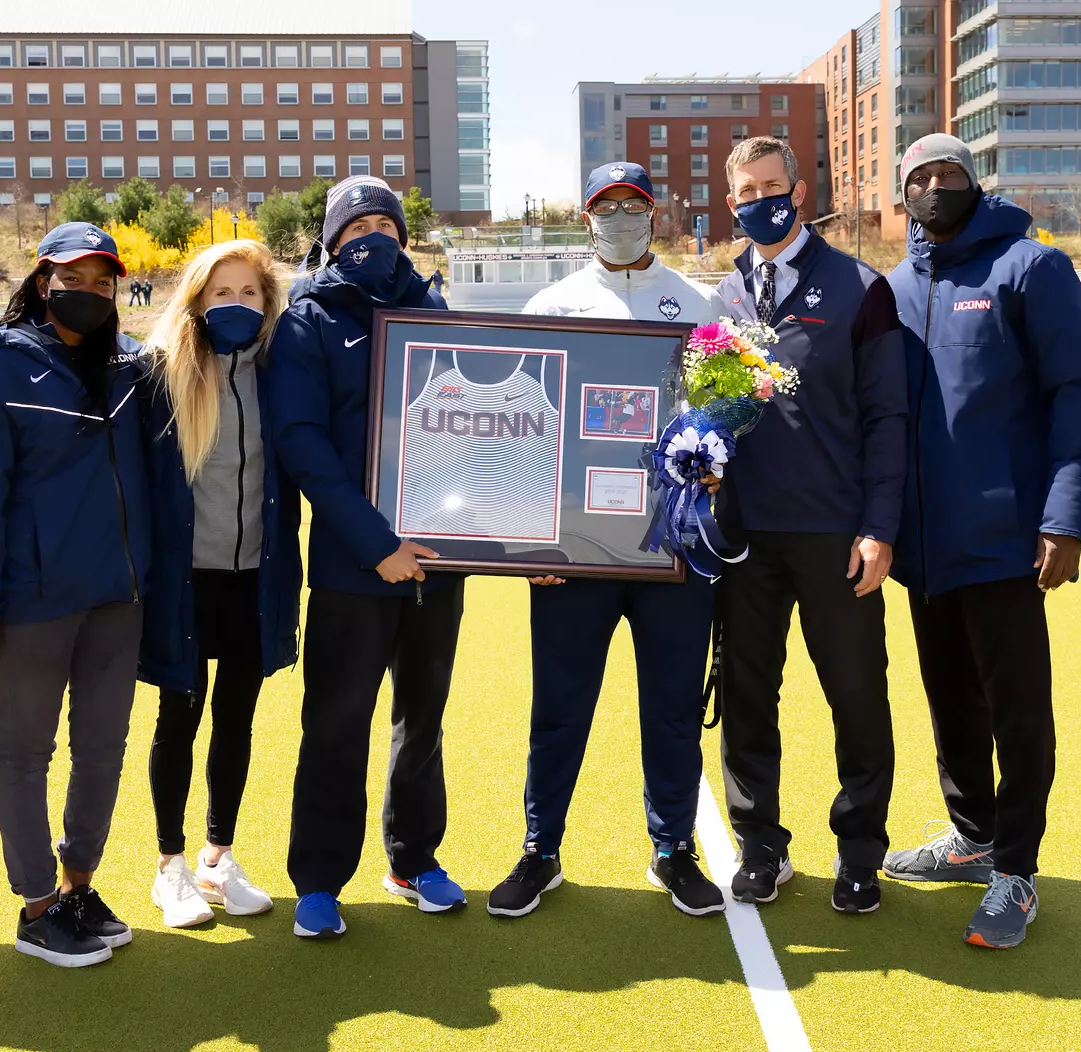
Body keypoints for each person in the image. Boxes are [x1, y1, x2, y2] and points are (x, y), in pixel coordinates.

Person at [883, 134, 1081, 949]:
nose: (934, 187)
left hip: (1005, 540)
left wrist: (1064, 518)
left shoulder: (1030, 267)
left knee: (1017, 711)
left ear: (975, 182)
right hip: (924, 548)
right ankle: (972, 836)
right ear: (903, 194)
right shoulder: (896, 286)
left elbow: (1078, 393)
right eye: (918, 177)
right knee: (949, 700)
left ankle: (1016, 869)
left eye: (948, 174)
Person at [485, 162, 727, 921]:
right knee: (559, 707)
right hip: (576, 552)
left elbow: (722, 420)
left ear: (654, 213)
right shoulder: (552, 303)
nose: (620, 217)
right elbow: (524, 432)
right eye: (606, 206)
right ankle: (541, 849)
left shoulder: (698, 304)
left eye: (633, 205)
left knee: (673, 708)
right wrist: (531, 542)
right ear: (587, 217)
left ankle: (673, 848)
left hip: (672, 547)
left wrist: (716, 469)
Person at [0, 223, 159, 968]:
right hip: (35, 598)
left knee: (102, 749)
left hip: (118, 597)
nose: (90, 292)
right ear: (43, 282)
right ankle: (37, 905)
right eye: (74, 278)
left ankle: (78, 887)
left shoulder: (130, 367)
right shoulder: (1, 364)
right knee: (26, 751)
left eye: (104, 282)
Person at [713, 137, 906, 915]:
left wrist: (879, 526)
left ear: (798, 193)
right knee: (747, 698)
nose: (760, 199)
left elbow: (888, 419)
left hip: (836, 536)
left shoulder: (862, 288)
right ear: (731, 204)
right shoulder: (723, 299)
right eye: (745, 191)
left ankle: (860, 851)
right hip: (745, 539)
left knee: (856, 695)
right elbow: (710, 413)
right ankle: (761, 846)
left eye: (773, 186)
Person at [269, 175, 461, 938]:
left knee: (424, 721)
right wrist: (377, 545)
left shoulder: (435, 309)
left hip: (437, 563)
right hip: (355, 566)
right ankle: (319, 880)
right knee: (336, 725)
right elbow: (303, 445)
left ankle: (414, 859)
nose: (372, 238)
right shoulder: (307, 319)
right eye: (356, 228)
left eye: (385, 225)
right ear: (331, 240)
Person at [137, 238, 302, 928]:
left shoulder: (282, 371)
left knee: (237, 718)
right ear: (197, 302)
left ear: (268, 303)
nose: (236, 304)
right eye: (221, 293)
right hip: (185, 581)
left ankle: (216, 858)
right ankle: (170, 867)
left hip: (256, 578)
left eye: (249, 293)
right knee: (180, 715)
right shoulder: (159, 372)